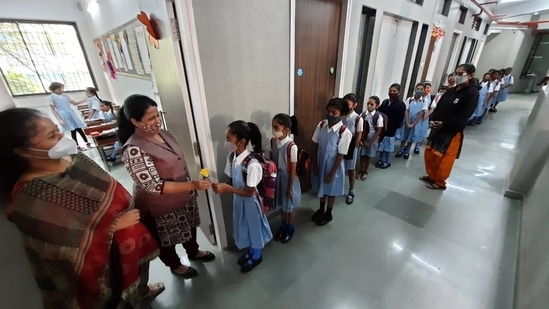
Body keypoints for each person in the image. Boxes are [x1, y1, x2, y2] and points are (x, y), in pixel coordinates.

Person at [0, 108, 164, 308]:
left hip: (130, 246)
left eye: (58, 130)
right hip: (104, 267)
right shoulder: (32, 198)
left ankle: (141, 291)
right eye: (52, 136)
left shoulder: (73, 158)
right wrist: (112, 228)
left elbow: (107, 189)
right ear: (23, 151)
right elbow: (65, 248)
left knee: (137, 278)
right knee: (117, 300)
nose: (61, 137)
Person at [118, 95, 215, 279]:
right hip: (158, 206)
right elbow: (154, 186)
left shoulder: (165, 133)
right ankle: (175, 264)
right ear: (135, 122)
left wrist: (191, 186)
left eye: (158, 115)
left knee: (189, 227)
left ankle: (193, 252)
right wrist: (193, 184)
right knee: (166, 240)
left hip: (183, 196)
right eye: (151, 118)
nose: (157, 121)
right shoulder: (133, 149)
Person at [212, 121, 273, 273]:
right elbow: (232, 179)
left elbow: (249, 192)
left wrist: (226, 188)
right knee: (244, 226)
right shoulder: (232, 157)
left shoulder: (252, 164)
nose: (226, 142)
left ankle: (257, 255)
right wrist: (221, 185)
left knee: (254, 228)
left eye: (228, 138)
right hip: (238, 200)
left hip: (250, 202)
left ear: (242, 141)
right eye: (226, 138)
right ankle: (251, 251)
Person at [420, 63, 479, 190]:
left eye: (460, 74)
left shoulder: (471, 93)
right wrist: (433, 119)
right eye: (456, 73)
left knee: (443, 157)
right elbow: (439, 106)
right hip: (437, 128)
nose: (457, 76)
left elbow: (464, 115)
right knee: (430, 153)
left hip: (451, 131)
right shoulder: (451, 90)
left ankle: (440, 182)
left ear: (470, 75)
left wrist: (444, 124)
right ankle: (431, 175)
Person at [310, 98, 352, 225]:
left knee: (331, 190)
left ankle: (328, 213)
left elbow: (341, 154)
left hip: (333, 165)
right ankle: (321, 209)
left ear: (342, 114)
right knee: (321, 187)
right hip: (320, 161)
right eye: (329, 112)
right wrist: (314, 163)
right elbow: (315, 144)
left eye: (334, 113)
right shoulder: (321, 125)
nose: (331, 115)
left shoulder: (344, 132)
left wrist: (333, 173)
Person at [269, 113, 301, 243]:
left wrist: (289, 188)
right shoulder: (272, 141)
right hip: (278, 179)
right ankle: (283, 226)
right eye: (272, 127)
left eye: (276, 127)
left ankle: (289, 228)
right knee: (283, 205)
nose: (273, 130)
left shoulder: (291, 146)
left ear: (286, 130)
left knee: (289, 206)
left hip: (289, 179)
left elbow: (292, 169)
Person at [48, 82, 90, 151]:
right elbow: (53, 110)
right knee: (72, 130)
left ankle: (87, 142)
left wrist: (84, 100)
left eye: (61, 88)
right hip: (62, 114)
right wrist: (59, 120)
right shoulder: (51, 97)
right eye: (58, 88)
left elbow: (75, 103)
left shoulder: (65, 95)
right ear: (54, 89)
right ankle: (77, 146)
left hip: (70, 112)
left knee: (79, 128)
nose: (60, 90)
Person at [376, 83, 406, 169]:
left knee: (388, 146)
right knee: (381, 144)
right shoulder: (385, 102)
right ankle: (380, 159)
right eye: (390, 91)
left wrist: (392, 127)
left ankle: (387, 161)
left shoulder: (401, 105)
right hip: (382, 127)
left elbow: (399, 119)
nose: (392, 92)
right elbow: (380, 113)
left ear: (399, 93)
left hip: (391, 129)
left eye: (394, 91)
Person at [342, 93, 363, 204]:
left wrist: (354, 146)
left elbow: (358, 135)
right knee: (340, 167)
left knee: (351, 168)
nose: (346, 106)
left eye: (348, 104)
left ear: (355, 105)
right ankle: (339, 187)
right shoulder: (341, 115)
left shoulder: (358, 118)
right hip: (340, 144)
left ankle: (351, 190)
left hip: (351, 146)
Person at [395, 83, 426, 158]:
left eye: (421, 89)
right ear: (415, 89)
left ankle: (407, 150)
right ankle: (401, 149)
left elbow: (421, 113)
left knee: (412, 136)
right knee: (404, 135)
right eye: (418, 89)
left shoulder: (424, 101)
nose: (419, 90)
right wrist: (407, 122)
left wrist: (413, 124)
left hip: (416, 122)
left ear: (424, 90)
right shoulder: (409, 100)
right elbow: (406, 110)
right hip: (407, 120)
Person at [357, 96, 384, 180]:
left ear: (377, 106)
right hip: (363, 137)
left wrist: (370, 142)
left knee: (368, 155)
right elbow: (359, 128)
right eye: (368, 104)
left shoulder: (378, 116)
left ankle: (365, 171)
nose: (369, 106)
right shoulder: (362, 114)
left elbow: (378, 131)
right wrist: (360, 139)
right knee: (362, 155)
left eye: (372, 104)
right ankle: (360, 170)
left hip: (372, 139)